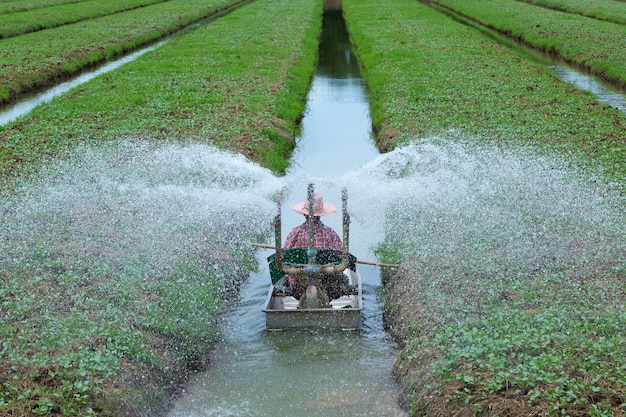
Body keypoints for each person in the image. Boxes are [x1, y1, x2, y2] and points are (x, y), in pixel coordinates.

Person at [284, 192, 347, 300]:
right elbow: (341, 256)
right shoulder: (330, 233)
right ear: (321, 214)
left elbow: (284, 255)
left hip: (298, 287)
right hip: (327, 286)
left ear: (304, 214)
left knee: (286, 278)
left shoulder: (295, 233)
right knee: (344, 279)